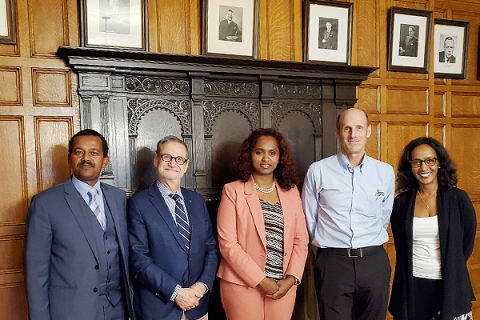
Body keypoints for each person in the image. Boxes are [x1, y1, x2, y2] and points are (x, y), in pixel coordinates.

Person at [25, 129, 134, 320]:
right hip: (71, 311)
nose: (86, 158)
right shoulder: (45, 203)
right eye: (79, 152)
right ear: (69, 158)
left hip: (117, 310)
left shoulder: (118, 197)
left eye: (94, 153)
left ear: (105, 161)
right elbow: (36, 273)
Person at [302, 108, 395, 320]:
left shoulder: (385, 172)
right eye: (347, 128)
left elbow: (384, 216)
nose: (354, 134)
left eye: (359, 128)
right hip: (333, 262)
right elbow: (309, 218)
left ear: (369, 131)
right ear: (338, 133)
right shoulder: (318, 171)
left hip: (373, 261)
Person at [216, 128, 309, 320]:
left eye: (272, 153)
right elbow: (228, 245)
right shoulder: (233, 191)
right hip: (242, 285)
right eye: (259, 152)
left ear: (280, 157)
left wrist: (291, 279)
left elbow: (301, 240)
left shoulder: (291, 192)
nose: (266, 158)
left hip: (283, 286)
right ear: (249, 155)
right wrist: (261, 280)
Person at [128, 136, 218, 320]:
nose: (172, 163)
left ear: (186, 165)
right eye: (167, 157)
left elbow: (211, 249)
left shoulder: (197, 201)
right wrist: (177, 293)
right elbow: (138, 259)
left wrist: (201, 286)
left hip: (197, 306)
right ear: (156, 159)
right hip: (158, 309)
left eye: (179, 159)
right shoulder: (138, 203)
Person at [388, 137, 476, 320]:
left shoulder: (459, 199)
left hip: (450, 286)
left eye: (430, 161)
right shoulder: (401, 203)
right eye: (417, 162)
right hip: (412, 286)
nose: (423, 168)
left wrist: (452, 265)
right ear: (409, 166)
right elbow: (400, 243)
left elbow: (466, 242)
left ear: (439, 163)